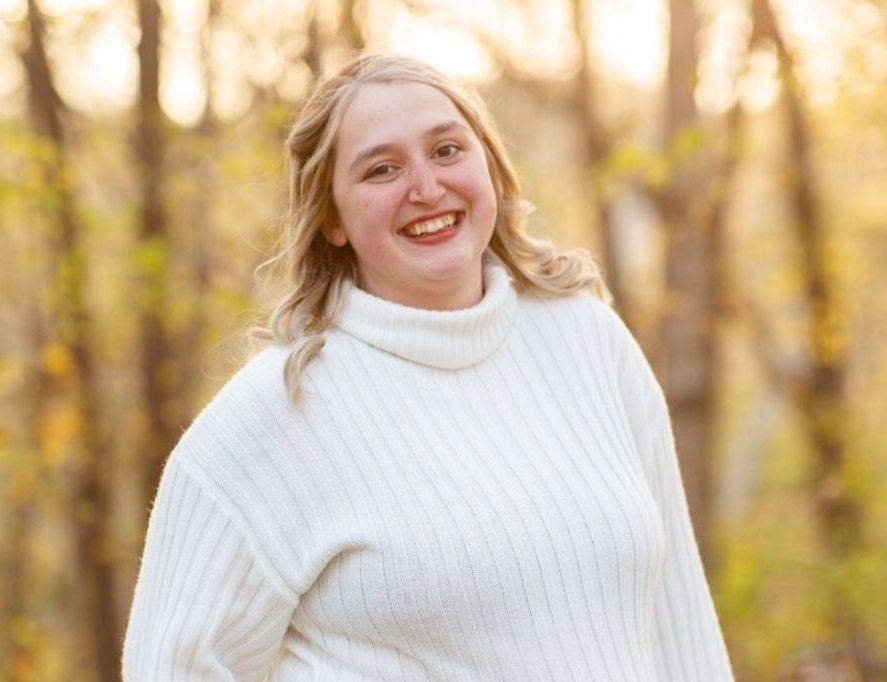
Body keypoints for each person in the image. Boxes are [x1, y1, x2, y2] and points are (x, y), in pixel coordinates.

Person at [122, 53, 735, 681]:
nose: (425, 188)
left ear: (490, 167)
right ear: (331, 217)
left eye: (446, 150)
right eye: (382, 169)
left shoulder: (587, 341)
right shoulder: (278, 414)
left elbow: (677, 621)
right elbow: (170, 666)